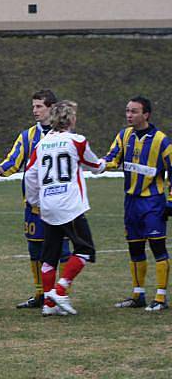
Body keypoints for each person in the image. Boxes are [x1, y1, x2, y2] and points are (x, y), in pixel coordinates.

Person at [0, 89, 71, 309]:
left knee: (63, 252)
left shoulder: (65, 136)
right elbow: (13, 161)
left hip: (60, 205)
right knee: (36, 250)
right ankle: (41, 293)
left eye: (39, 106)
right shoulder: (27, 136)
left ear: (52, 108)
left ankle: (60, 293)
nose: (34, 110)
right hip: (34, 206)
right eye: (33, 106)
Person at [24, 100, 105, 316]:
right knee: (85, 249)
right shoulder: (76, 141)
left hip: (48, 205)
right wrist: (105, 163)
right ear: (69, 119)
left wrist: (35, 201)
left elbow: (30, 175)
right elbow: (95, 166)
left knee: (49, 255)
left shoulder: (41, 144)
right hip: (69, 205)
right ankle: (60, 290)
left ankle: (49, 306)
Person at [104, 96, 171, 311]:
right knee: (135, 248)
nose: (129, 115)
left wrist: (170, 201)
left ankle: (161, 297)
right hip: (131, 202)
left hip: (153, 202)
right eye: (127, 111)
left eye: (133, 111)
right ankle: (138, 294)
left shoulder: (162, 141)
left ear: (146, 114)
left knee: (158, 248)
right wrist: (95, 164)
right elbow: (112, 158)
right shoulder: (124, 136)